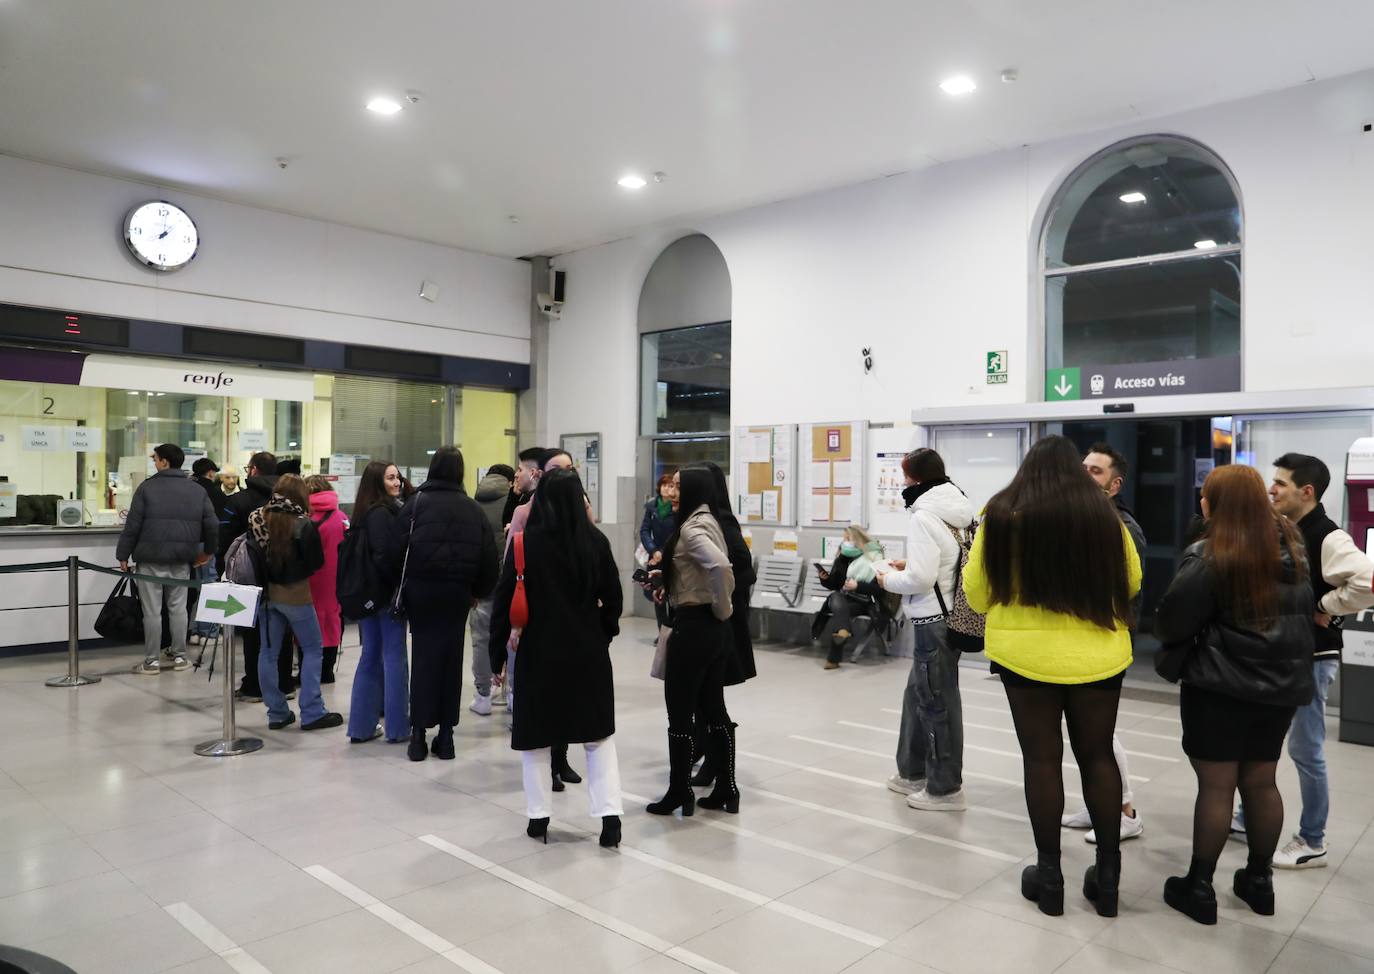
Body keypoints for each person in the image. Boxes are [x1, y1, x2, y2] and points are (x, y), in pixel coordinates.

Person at [962, 435, 1140, 918]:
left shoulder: (999, 514)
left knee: (1041, 761)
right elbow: (1132, 582)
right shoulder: (1104, 515)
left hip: (1025, 658)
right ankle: (1107, 878)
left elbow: (976, 593)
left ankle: (1050, 877)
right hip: (1098, 656)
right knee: (1097, 757)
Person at [1153, 464, 1315, 924]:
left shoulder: (1210, 553)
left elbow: (1172, 621)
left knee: (1217, 785)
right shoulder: (1293, 549)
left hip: (1219, 686)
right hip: (1280, 688)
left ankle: (1199, 887)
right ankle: (1259, 882)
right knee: (1262, 783)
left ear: (1213, 504)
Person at [1236, 454, 1374, 869]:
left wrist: (1325, 604)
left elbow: (1367, 582)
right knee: (1260, 741)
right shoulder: (1279, 529)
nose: (1271, 489)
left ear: (1306, 491)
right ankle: (1247, 818)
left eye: (1280, 483)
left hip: (1312, 656)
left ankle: (1313, 839)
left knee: (1305, 749)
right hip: (1279, 654)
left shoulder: (1328, 536)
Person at [488, 468, 625, 846]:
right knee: (598, 739)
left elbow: (502, 607)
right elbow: (614, 598)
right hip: (588, 654)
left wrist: (496, 655)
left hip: (538, 652)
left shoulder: (523, 545)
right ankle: (610, 819)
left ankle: (538, 819)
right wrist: (604, 632)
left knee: (535, 740)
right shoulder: (595, 542)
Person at [875, 448, 974, 811]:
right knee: (919, 694)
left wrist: (887, 578)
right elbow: (948, 562)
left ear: (914, 478)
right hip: (954, 616)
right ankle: (912, 771)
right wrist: (909, 565)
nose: (901, 484)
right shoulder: (960, 507)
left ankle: (945, 788)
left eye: (904, 477)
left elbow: (920, 578)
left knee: (936, 703)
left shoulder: (923, 516)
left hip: (933, 620)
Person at [1062, 443, 1146, 843]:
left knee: (1099, 734)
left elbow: (1120, 590)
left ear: (1114, 485)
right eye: (1083, 467)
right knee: (1086, 733)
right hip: (1080, 641)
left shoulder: (1123, 529)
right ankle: (1102, 805)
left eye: (1094, 471)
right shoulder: (1080, 520)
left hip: (1103, 642)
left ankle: (1125, 811)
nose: (1083, 475)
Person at [393, 447, 499, 761]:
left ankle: (417, 738)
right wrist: (477, 590)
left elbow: (394, 550)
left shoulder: (415, 505)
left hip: (421, 593)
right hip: (457, 595)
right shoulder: (472, 509)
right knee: (451, 662)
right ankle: (447, 738)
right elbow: (489, 560)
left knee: (423, 659)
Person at [645, 466, 737, 817]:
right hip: (711, 630)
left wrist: (721, 605)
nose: (672, 492)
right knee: (713, 709)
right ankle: (727, 787)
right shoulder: (707, 518)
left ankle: (679, 791)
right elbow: (701, 568)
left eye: (680, 486)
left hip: (695, 627)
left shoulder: (694, 526)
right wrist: (669, 581)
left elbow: (720, 567)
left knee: (680, 714)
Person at [248, 474, 342, 732]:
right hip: (297, 595)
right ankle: (312, 712)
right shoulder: (302, 523)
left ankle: (277, 713)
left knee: (267, 653)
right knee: (312, 649)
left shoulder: (257, 518)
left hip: (266, 596)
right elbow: (316, 563)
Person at [116, 443, 218, 674]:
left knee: (151, 611)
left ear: (164, 462)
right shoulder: (197, 490)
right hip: (182, 559)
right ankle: (180, 657)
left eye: (156, 459)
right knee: (178, 609)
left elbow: (133, 526)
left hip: (150, 559)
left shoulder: (146, 488)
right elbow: (212, 525)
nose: (155, 463)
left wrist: (123, 555)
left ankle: (151, 661)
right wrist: (208, 552)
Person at [688, 461, 757, 790]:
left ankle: (717, 767)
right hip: (711, 619)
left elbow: (744, 570)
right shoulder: (701, 521)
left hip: (722, 621)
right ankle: (705, 751)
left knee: (711, 699)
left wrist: (719, 595)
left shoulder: (721, 522)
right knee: (704, 698)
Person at [219, 452, 293, 702]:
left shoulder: (239, 500)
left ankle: (255, 686)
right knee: (281, 629)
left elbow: (225, 537)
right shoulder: (289, 499)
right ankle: (284, 683)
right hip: (284, 573)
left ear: (253, 470)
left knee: (252, 632)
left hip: (247, 573)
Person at [347, 461, 410, 744]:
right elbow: (386, 556)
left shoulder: (362, 512)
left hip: (366, 596)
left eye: (398, 477)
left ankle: (361, 726)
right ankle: (397, 728)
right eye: (391, 478)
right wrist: (399, 584)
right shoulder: (384, 514)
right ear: (377, 482)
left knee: (370, 656)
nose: (397, 483)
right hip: (386, 596)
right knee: (394, 657)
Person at [470, 463, 516, 716]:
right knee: (513, 636)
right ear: (510, 481)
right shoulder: (515, 504)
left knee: (480, 639)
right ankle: (511, 695)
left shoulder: (473, 503)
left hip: (482, 582)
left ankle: (483, 695)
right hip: (511, 581)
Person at [812, 525, 884, 669]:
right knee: (837, 599)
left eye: (848, 538)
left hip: (865, 601)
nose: (845, 542)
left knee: (839, 610)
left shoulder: (874, 557)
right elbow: (835, 584)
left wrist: (858, 586)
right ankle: (842, 633)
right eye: (844, 539)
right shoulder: (843, 557)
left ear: (858, 540)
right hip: (845, 598)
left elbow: (879, 589)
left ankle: (833, 659)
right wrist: (825, 579)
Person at [305, 476, 348, 684]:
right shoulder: (341, 517)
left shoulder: (305, 518)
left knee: (308, 624)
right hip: (336, 579)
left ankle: (309, 670)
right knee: (332, 621)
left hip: (309, 579)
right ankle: (327, 671)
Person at [188, 457, 228, 645]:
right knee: (210, 587)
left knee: (196, 588)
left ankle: (195, 631)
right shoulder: (213, 492)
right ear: (211, 472)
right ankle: (209, 633)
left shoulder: (188, 488)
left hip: (189, 543)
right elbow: (216, 522)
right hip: (207, 544)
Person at [640, 472, 678, 627]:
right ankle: (661, 630)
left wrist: (663, 552)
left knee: (673, 595)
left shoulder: (676, 507)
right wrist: (653, 550)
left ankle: (673, 628)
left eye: (670, 485)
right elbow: (644, 531)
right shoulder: (652, 507)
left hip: (672, 554)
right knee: (658, 596)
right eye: (663, 485)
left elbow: (677, 533)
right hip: (655, 556)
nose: (666, 489)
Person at [502, 447, 543, 530]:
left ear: (532, 473)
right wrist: (514, 496)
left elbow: (511, 531)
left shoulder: (534, 503)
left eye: (520, 470)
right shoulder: (525, 497)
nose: (516, 475)